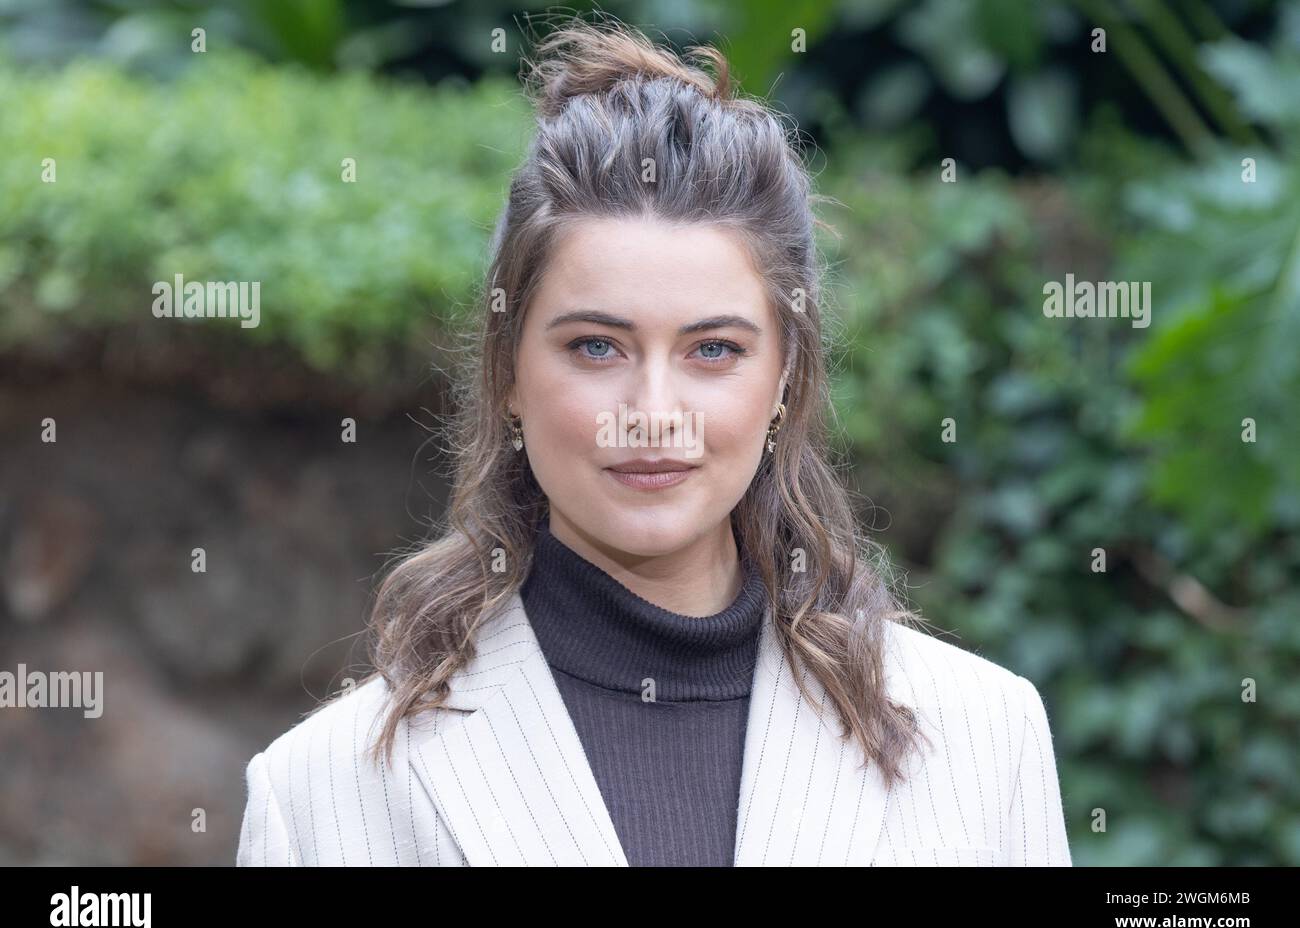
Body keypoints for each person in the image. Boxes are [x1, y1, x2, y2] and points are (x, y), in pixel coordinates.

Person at [236, 15, 1071, 867]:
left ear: (785, 379)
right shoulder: (323, 794)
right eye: (596, 347)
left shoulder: (984, 740)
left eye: (714, 350)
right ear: (509, 374)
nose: (652, 411)